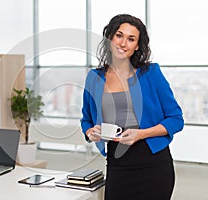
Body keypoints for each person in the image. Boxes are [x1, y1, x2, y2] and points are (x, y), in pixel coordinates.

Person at [81, 14, 184, 200]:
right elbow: (86, 119)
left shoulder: (151, 73)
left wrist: (141, 134)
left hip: (154, 167)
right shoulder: (94, 78)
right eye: (119, 35)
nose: (123, 43)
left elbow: (176, 119)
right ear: (110, 38)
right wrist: (90, 132)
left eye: (131, 39)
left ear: (137, 46)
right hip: (117, 166)